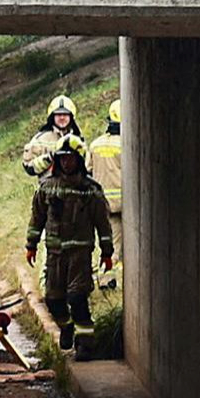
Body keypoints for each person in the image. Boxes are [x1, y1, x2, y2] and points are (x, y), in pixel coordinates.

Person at [25, 134, 114, 359]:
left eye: (71, 158)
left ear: (79, 160)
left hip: (80, 255)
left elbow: (103, 223)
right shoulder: (46, 188)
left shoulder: (91, 190)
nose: (66, 162)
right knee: (53, 300)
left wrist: (107, 252)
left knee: (77, 298)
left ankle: (86, 344)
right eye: (62, 158)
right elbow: (37, 219)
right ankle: (66, 327)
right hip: (55, 255)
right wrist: (31, 245)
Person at [87, 100, 123, 274]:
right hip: (123, 204)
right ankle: (107, 280)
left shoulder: (95, 145)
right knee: (118, 247)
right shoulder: (128, 145)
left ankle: (103, 276)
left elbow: (87, 172)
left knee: (105, 242)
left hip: (101, 204)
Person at [21, 94, 81, 177]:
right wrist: (50, 158)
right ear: (52, 117)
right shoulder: (41, 138)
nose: (62, 118)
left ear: (71, 117)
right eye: (58, 114)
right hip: (50, 188)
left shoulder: (77, 138)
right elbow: (29, 167)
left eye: (65, 114)